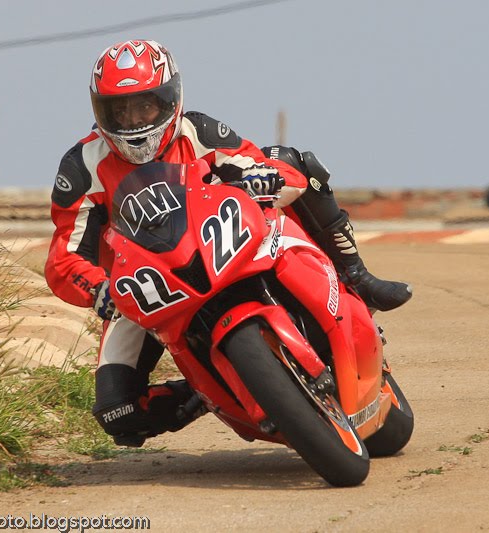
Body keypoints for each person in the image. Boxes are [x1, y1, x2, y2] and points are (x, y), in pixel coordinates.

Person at [45, 39, 412, 446]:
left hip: (223, 240)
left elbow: (257, 162)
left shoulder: (198, 130)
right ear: (101, 110)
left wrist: (264, 177)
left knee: (296, 162)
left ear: (169, 99)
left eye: (144, 105)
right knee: (118, 413)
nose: (133, 120)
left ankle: (356, 275)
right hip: (144, 287)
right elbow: (64, 257)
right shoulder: (82, 166)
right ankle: (202, 394)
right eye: (120, 109)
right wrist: (98, 288)